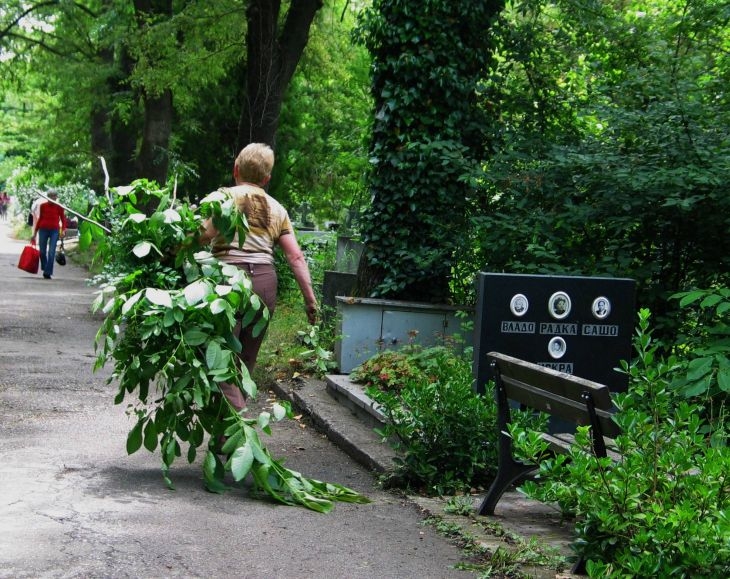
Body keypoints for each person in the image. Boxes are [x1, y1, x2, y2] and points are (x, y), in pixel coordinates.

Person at [198, 143, 318, 411]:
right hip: (264, 284)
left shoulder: (223, 198)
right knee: (244, 363)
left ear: (235, 169)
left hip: (226, 281)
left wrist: (171, 252)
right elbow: (295, 257)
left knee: (218, 358)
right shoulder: (278, 209)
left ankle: (237, 419)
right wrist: (310, 300)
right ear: (267, 178)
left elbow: (202, 236)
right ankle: (228, 443)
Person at [31, 191, 67, 280]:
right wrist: (35, 233)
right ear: (47, 197)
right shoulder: (43, 206)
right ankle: (45, 267)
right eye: (51, 196)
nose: (53, 198)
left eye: (54, 196)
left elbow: (63, 219)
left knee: (51, 252)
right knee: (42, 252)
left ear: (56, 197)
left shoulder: (59, 207)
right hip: (43, 230)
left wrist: (63, 231)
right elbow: (40, 219)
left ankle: (47, 272)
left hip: (54, 231)